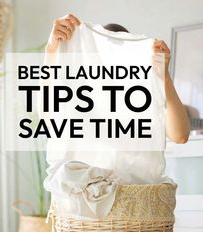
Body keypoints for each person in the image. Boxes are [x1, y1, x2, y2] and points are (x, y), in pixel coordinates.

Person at [46, 13, 190, 144]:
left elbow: (180, 135)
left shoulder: (141, 97)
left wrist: (164, 77)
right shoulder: (82, 95)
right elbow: (49, 118)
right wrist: (52, 50)